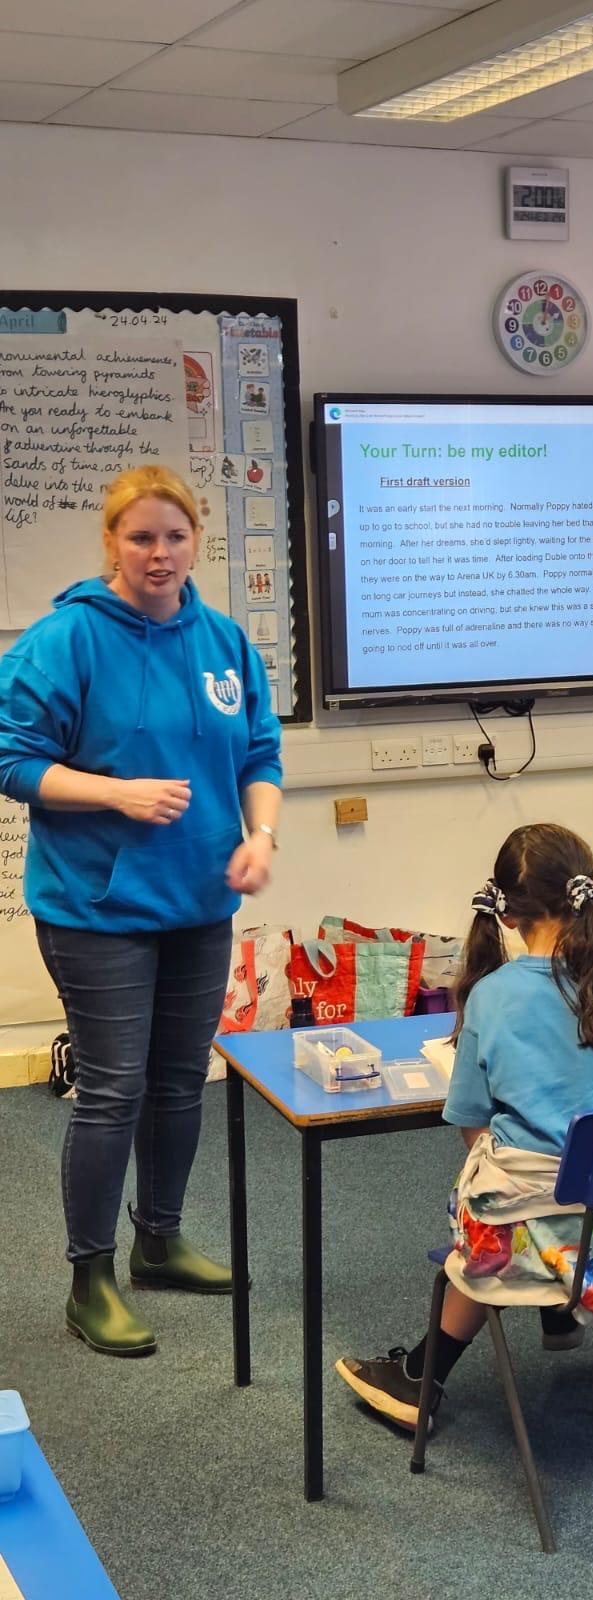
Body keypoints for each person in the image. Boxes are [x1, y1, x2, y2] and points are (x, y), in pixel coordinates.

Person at [0, 463, 282, 1357]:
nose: (159, 553)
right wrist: (114, 794)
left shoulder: (223, 639)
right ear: (112, 543)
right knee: (113, 1089)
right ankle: (90, 1279)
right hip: (97, 908)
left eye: (174, 536)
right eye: (141, 537)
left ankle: (159, 1240)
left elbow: (260, 755)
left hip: (198, 903)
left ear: (197, 541)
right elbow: (12, 760)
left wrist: (261, 836)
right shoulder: (65, 640)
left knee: (179, 1079)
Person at [336, 823, 593, 1430]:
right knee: (562, 1177)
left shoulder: (492, 996)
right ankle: (559, 1314)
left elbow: (471, 1123)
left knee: (494, 1187)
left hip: (523, 1243)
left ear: (506, 915)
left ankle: (421, 1378)